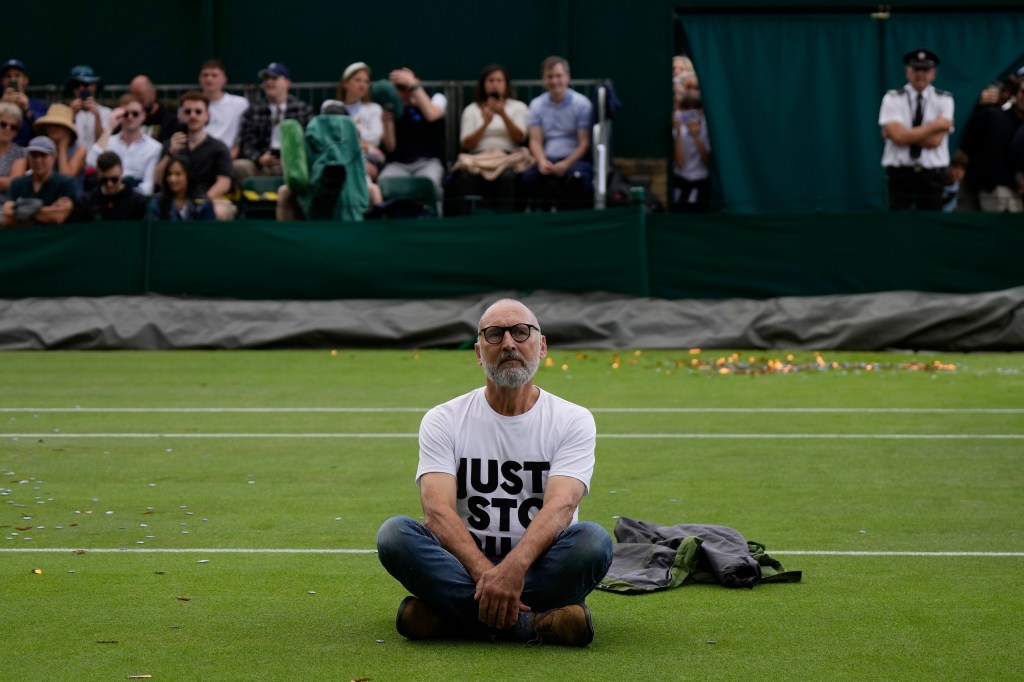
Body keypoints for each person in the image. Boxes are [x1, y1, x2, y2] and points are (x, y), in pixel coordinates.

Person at [377, 298, 613, 646]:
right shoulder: (444, 419)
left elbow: (562, 508)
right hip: (462, 566)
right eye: (494, 335)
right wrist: (490, 577)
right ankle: (531, 624)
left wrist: (513, 571)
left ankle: (452, 619)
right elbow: (437, 513)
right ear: (478, 351)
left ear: (542, 345)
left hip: (538, 566)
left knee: (593, 542)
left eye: (521, 332)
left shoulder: (572, 420)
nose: (508, 344)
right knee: (395, 535)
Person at [445, 64, 531, 216]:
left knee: (508, 178)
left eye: (499, 80)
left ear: (506, 84)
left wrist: (503, 115)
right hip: (478, 159)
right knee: (464, 178)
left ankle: (506, 224)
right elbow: (466, 144)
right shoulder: (472, 110)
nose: (495, 84)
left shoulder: (519, 107)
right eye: (490, 80)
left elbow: (520, 138)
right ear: (483, 84)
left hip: (507, 158)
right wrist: (485, 124)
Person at [878, 48, 955, 210]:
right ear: (908, 71)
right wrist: (936, 125)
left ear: (933, 73)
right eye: (916, 69)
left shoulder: (945, 99)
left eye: (925, 69)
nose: (921, 74)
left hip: (932, 175)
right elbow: (899, 138)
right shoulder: (892, 98)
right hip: (900, 174)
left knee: (930, 225)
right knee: (898, 225)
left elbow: (935, 141)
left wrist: (903, 134)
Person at [522, 56, 594, 211]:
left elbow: (584, 143)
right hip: (547, 160)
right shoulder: (536, 105)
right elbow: (535, 141)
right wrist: (541, 162)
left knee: (578, 180)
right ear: (543, 79)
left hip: (575, 161)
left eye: (558, 76)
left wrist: (566, 164)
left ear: (567, 77)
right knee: (529, 179)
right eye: (549, 77)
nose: (554, 81)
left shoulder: (582, 104)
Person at [154, 91, 235, 220]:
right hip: (174, 198)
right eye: (187, 112)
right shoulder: (171, 144)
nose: (193, 116)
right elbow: (158, 180)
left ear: (207, 116)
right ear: (180, 115)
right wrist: (170, 153)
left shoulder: (218, 147)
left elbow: (224, 182)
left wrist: (202, 202)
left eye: (198, 112)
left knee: (219, 212)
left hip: (209, 198)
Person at [378, 66, 447, 212]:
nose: (406, 91)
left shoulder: (436, 99)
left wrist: (413, 85)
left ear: (417, 83)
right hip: (398, 164)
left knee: (430, 183)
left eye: (407, 85)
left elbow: (431, 115)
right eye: (400, 88)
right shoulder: (391, 108)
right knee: (383, 182)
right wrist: (387, 123)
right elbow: (390, 147)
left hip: (428, 162)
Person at [234, 62, 313, 185]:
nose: (269, 82)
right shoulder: (253, 110)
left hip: (292, 166)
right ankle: (250, 203)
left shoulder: (302, 109)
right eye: (266, 78)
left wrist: (292, 159)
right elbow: (245, 143)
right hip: (262, 166)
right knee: (239, 166)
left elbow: (310, 141)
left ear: (287, 82)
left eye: (274, 78)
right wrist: (259, 158)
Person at [957, 77, 1024, 213]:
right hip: (981, 189)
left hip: (1012, 195)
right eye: (1023, 92)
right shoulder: (992, 115)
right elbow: (963, 138)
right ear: (1017, 93)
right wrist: (974, 102)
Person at [88, 94, 163, 195]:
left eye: (135, 114)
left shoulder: (155, 147)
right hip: (107, 193)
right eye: (125, 114)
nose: (130, 117)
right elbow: (91, 162)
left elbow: (148, 187)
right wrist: (109, 127)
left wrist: (123, 193)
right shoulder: (109, 141)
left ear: (143, 116)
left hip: (136, 200)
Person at [2, 136, 75, 227]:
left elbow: (58, 216)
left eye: (43, 155)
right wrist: (47, 211)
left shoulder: (65, 182)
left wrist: (22, 211)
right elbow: (6, 216)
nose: (38, 160)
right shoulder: (18, 183)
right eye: (34, 155)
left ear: (54, 157)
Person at [671, 89, 711, 212]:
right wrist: (678, 134)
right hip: (682, 180)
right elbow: (679, 162)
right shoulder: (679, 129)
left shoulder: (707, 128)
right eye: (686, 109)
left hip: (701, 181)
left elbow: (707, 160)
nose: (691, 113)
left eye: (695, 108)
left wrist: (696, 136)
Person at [34, 103, 86, 198]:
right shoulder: (40, 148)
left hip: (72, 200)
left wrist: (62, 148)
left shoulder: (80, 150)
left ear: (67, 129)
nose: (52, 128)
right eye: (49, 125)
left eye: (57, 125)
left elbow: (66, 179)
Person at [199, 59, 249, 158]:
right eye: (205, 75)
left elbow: (245, 135)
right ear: (199, 79)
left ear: (224, 80)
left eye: (214, 75)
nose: (209, 79)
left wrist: (233, 154)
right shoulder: (191, 105)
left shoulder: (240, 104)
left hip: (227, 156)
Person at [148, 155, 216, 221]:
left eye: (178, 174)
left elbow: (210, 230)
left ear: (188, 175)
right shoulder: (157, 203)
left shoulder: (202, 204)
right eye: (169, 174)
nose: (172, 179)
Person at [85, 151, 149, 220]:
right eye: (104, 180)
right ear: (98, 174)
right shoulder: (88, 202)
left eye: (114, 179)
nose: (109, 184)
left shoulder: (137, 202)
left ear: (122, 172)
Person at [1, 59, 48, 147]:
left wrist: (27, 110)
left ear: (25, 80)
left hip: (30, 155)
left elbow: (46, 130)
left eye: (17, 76)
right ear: (2, 81)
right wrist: (2, 106)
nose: (12, 79)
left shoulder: (38, 105)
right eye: (8, 76)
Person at [65, 65, 111, 153]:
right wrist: (71, 116)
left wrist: (97, 116)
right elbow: (65, 142)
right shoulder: (66, 112)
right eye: (76, 85)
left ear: (94, 86)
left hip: (96, 163)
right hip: (72, 162)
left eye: (86, 84)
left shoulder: (106, 112)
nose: (81, 88)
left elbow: (102, 143)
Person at [129, 74, 178, 143]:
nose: (137, 100)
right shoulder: (128, 118)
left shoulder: (169, 120)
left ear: (153, 93)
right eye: (133, 95)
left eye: (140, 95)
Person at [0, 102, 27, 204]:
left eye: (13, 127)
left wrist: (8, 182)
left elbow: (14, 183)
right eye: (3, 124)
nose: (8, 129)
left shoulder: (20, 153)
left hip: (6, 206)